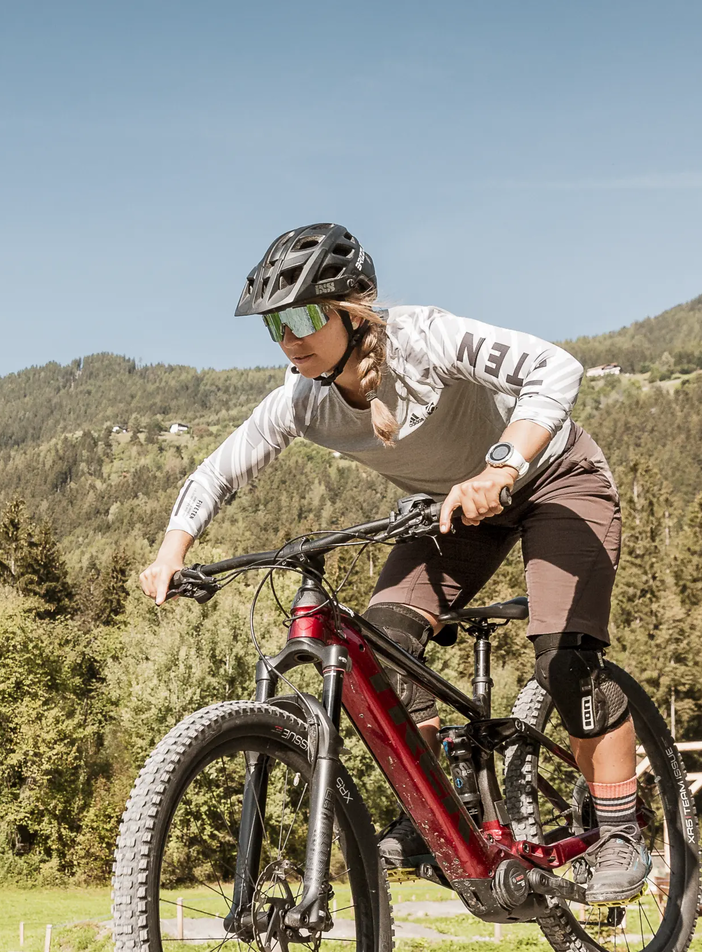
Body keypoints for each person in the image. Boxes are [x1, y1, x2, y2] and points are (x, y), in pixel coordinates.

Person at [137, 223, 649, 902]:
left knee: (564, 662)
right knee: (383, 645)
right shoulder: (302, 400)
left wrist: (502, 466)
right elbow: (216, 473)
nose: (288, 338)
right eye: (274, 325)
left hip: (555, 480)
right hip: (452, 509)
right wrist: (172, 554)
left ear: (356, 311)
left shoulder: (425, 338)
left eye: (303, 317)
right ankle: (440, 815)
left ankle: (620, 831)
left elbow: (556, 368)